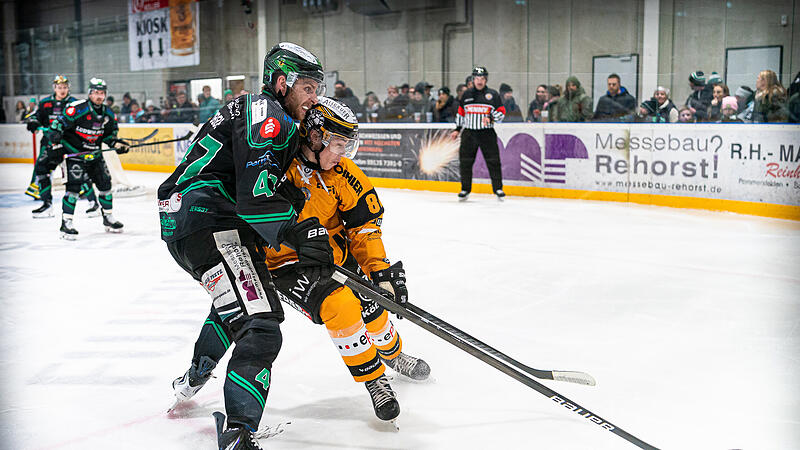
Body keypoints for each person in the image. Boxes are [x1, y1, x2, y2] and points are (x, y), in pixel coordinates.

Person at [172, 97, 430, 425]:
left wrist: (379, 269)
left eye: (347, 147)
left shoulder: (345, 175)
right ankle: (374, 379)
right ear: (315, 135)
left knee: (373, 304)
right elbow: (250, 204)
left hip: (332, 255)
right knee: (339, 307)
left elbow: (365, 228)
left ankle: (394, 354)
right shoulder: (274, 161)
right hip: (282, 265)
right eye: (337, 144)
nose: (341, 154)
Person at [158, 42, 326, 450]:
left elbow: (256, 187)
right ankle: (237, 434)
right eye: (307, 88)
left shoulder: (260, 112)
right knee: (262, 325)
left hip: (199, 220)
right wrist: (300, 233)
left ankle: (196, 374)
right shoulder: (269, 115)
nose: (313, 98)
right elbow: (256, 199)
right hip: (209, 221)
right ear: (282, 82)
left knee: (237, 305)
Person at [44, 78, 127, 239]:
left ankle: (108, 218)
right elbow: (57, 125)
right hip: (74, 155)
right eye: (96, 92)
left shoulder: (108, 113)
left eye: (102, 93)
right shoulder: (78, 108)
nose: (99, 96)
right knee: (73, 189)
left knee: (105, 186)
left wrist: (117, 144)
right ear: (90, 93)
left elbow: (109, 136)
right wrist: (55, 136)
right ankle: (66, 223)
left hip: (95, 155)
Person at [27, 74, 99, 218]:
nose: (62, 90)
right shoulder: (45, 103)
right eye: (59, 87)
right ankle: (46, 204)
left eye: (65, 87)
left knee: (79, 172)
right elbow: (35, 116)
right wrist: (33, 122)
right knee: (42, 170)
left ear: (68, 88)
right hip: (50, 144)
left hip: (70, 144)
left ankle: (94, 203)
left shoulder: (75, 103)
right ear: (54, 88)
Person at [449, 66, 505, 201]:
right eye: (477, 78)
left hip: (487, 133)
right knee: (465, 162)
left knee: (493, 161)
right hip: (469, 133)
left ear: (486, 80)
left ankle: (498, 188)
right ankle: (465, 189)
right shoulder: (466, 95)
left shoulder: (493, 94)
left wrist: (491, 118)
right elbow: (461, 113)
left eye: (482, 78)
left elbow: (502, 112)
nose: (479, 81)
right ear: (473, 80)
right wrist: (457, 129)